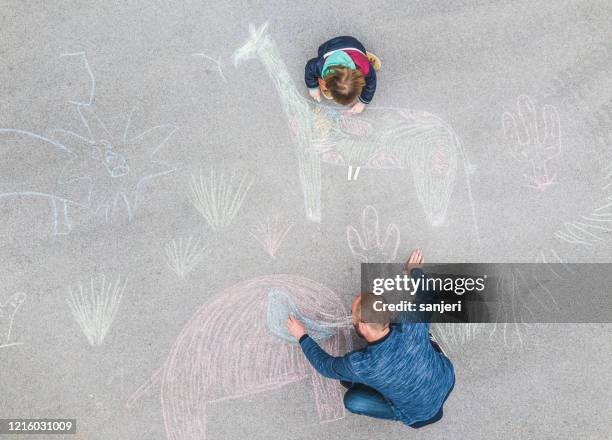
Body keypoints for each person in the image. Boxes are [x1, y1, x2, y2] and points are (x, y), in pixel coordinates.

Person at [286, 249, 455, 427]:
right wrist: (414, 270)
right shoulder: (411, 324)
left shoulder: (362, 365)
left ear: (363, 326)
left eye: (353, 315)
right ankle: (430, 348)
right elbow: (429, 294)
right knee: (418, 331)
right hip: (446, 380)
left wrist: (302, 336)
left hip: (420, 415)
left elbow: (326, 366)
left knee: (352, 399)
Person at [304, 36, 381, 114]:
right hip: (329, 47)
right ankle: (363, 55)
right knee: (319, 69)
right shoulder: (320, 66)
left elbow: (371, 82)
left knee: (364, 60)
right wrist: (313, 87)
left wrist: (363, 102)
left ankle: (364, 55)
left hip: (354, 46)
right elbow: (310, 67)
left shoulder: (364, 67)